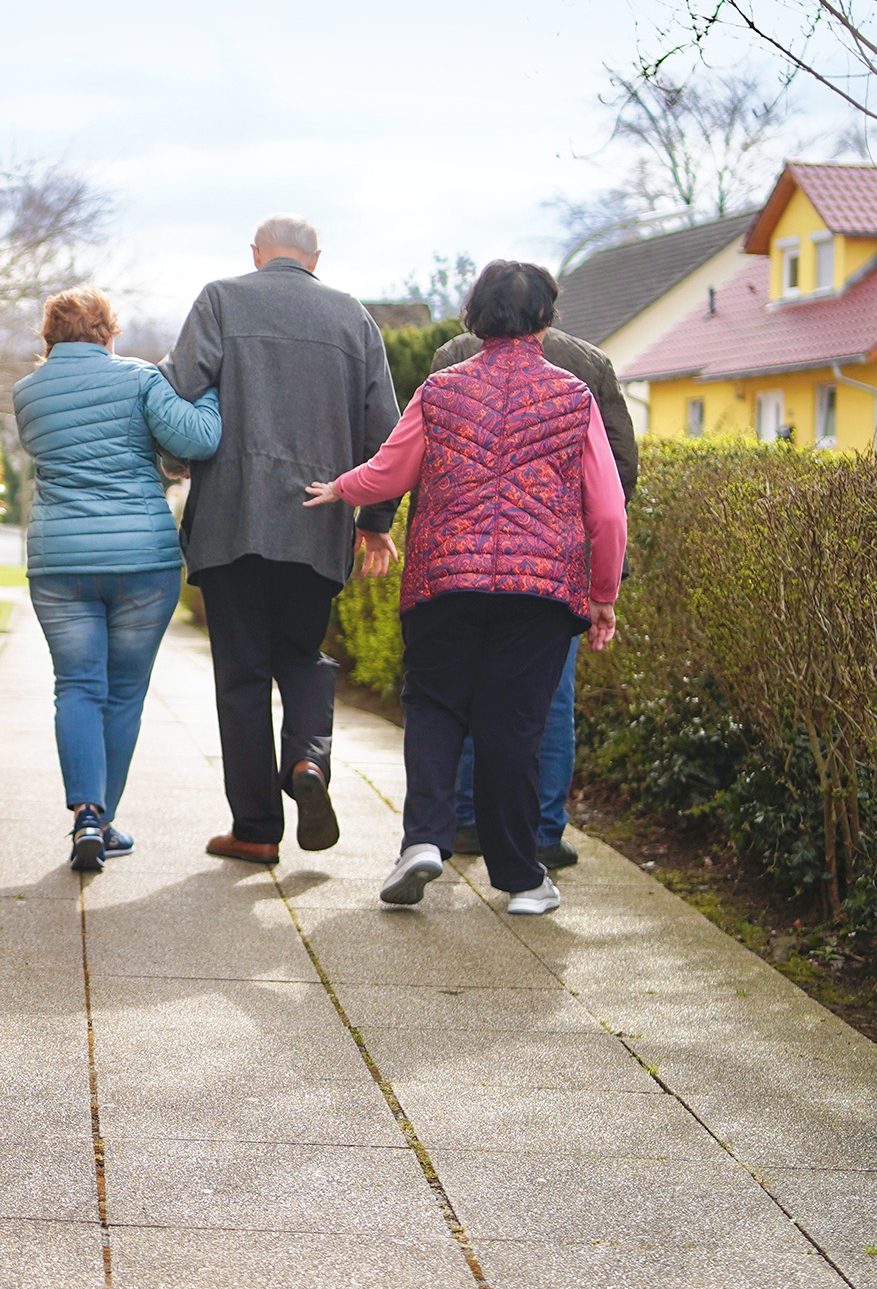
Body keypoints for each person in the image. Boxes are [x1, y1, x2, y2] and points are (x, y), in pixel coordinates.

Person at [305, 259, 625, 916]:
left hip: (444, 581)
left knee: (433, 708)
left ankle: (424, 839)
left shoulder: (441, 388)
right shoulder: (573, 395)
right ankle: (521, 878)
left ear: (474, 315)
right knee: (513, 727)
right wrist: (602, 594)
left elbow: (389, 472)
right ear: (545, 316)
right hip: (539, 593)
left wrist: (340, 488)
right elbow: (609, 511)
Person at [161, 218, 401, 866]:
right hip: (317, 523)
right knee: (302, 653)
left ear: (256, 254)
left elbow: (178, 394)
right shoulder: (354, 319)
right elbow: (390, 431)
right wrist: (375, 521)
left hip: (231, 521)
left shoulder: (220, 299)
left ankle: (257, 828)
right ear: (315, 258)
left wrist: (169, 465)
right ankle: (306, 758)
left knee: (241, 676)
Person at [12, 287, 223, 874]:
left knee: (77, 685)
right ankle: (102, 824)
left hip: (59, 563)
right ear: (110, 332)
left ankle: (84, 813)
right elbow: (198, 439)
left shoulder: (27, 394)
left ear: (47, 337)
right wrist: (207, 390)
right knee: (125, 693)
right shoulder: (139, 379)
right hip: (140, 561)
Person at [423, 324, 638, 873]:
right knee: (549, 700)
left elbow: (426, 457)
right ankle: (542, 831)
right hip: (552, 567)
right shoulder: (586, 361)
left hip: (462, 561)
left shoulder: (455, 358)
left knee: (471, 696)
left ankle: (470, 820)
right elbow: (619, 467)